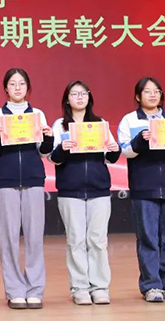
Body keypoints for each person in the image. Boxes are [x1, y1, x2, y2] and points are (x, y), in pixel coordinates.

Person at [117, 77, 165, 303]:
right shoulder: (130, 120)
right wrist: (141, 140)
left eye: (156, 91)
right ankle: (151, 285)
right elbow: (125, 150)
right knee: (148, 239)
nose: (152, 95)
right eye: (147, 91)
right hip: (144, 186)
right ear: (137, 96)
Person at [0, 68, 53, 310]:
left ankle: (35, 290)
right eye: (12, 84)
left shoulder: (38, 114)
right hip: (6, 180)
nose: (17, 88)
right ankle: (14, 290)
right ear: (6, 88)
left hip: (34, 179)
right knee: (9, 238)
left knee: (35, 238)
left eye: (21, 83)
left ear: (27, 87)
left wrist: (48, 137)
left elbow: (44, 152)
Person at [50, 81, 120, 306]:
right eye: (74, 94)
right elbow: (53, 158)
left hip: (99, 189)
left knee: (98, 240)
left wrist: (114, 150)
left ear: (89, 97)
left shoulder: (100, 124)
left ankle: (100, 287)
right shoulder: (60, 125)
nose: (79, 97)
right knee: (76, 240)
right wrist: (62, 148)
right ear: (67, 99)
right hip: (70, 191)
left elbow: (111, 157)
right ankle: (79, 288)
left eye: (83, 93)